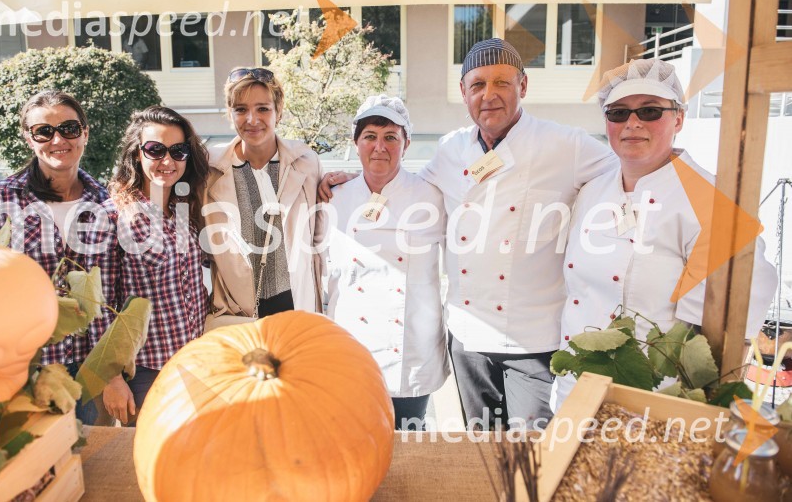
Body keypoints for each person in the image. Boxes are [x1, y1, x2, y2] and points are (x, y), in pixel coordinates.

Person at [321, 39, 617, 429]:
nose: (489, 96)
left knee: (532, 451)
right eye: (477, 85)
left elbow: (624, 177)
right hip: (469, 337)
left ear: (523, 87)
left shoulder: (566, 144)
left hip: (534, 338)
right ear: (464, 93)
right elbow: (399, 186)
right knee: (482, 448)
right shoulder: (451, 149)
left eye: (501, 83)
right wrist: (347, 179)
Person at [550, 59, 778, 410]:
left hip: (654, 398)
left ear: (679, 119)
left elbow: (741, 303)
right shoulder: (592, 191)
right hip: (576, 388)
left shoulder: (708, 198)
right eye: (618, 113)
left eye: (651, 111)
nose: (633, 123)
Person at [0, 90, 119, 425]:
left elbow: (114, 292)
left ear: (85, 132)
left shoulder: (107, 202)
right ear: (29, 138)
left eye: (68, 128)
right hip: (25, 371)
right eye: (44, 131)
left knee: (94, 467)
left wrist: (113, 372)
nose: (58, 139)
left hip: (91, 372)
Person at [324, 95, 449, 430]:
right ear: (355, 143)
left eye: (390, 137)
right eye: (370, 137)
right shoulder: (333, 198)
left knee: (409, 443)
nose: (380, 147)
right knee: (356, 439)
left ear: (405, 144)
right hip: (353, 345)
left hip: (409, 348)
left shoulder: (432, 195)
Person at [104, 106, 210, 425]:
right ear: (137, 154)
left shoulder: (184, 211)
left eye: (178, 151)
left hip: (195, 363)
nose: (168, 161)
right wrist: (111, 379)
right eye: (155, 150)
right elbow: (100, 306)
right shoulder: (113, 216)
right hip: (146, 373)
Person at [201, 67, 324, 327]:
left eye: (263, 109)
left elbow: (319, 237)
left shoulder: (306, 163)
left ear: (278, 112)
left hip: (296, 315)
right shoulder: (210, 169)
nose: (252, 119)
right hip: (237, 321)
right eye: (241, 109)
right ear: (230, 114)